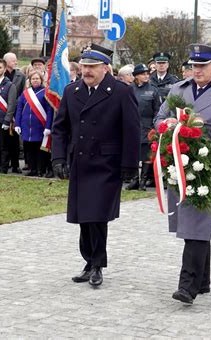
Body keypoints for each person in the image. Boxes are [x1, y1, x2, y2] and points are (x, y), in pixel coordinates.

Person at [154, 44, 211, 304]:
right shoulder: (178, 89)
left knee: (197, 223)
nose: (198, 70)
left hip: (208, 166)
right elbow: (159, 119)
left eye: (203, 65)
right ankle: (203, 281)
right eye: (194, 66)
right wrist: (166, 126)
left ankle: (188, 286)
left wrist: (207, 152)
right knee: (193, 223)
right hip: (178, 164)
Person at [51, 43, 140, 287]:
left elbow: (132, 131)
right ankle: (89, 261)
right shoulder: (72, 91)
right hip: (80, 162)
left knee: (97, 216)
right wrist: (58, 158)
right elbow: (60, 128)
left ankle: (97, 264)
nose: (87, 72)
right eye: (84, 67)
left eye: (92, 67)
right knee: (83, 216)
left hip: (107, 164)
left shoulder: (121, 92)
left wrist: (130, 164)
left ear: (105, 68)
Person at [126, 63, 160, 191]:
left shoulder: (153, 90)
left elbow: (157, 110)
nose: (146, 76)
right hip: (132, 126)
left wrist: (154, 127)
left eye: (147, 73)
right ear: (136, 76)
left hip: (148, 126)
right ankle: (134, 180)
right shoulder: (130, 89)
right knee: (133, 153)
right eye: (143, 74)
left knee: (147, 155)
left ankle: (143, 182)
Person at [14, 71, 53, 177]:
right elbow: (19, 109)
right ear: (29, 81)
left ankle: (41, 170)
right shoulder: (25, 93)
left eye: (37, 78)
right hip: (26, 127)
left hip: (40, 126)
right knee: (29, 150)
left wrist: (48, 126)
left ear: (41, 80)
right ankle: (32, 169)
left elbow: (50, 111)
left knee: (40, 150)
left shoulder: (46, 93)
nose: (35, 80)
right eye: (33, 79)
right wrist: (17, 124)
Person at [4, 52, 26, 174]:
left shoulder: (21, 76)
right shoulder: (0, 74)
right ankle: (5, 163)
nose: (16, 62)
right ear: (7, 62)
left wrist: (14, 107)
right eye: (13, 60)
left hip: (16, 111)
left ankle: (15, 165)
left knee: (14, 141)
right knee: (4, 140)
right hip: (2, 112)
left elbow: (22, 94)